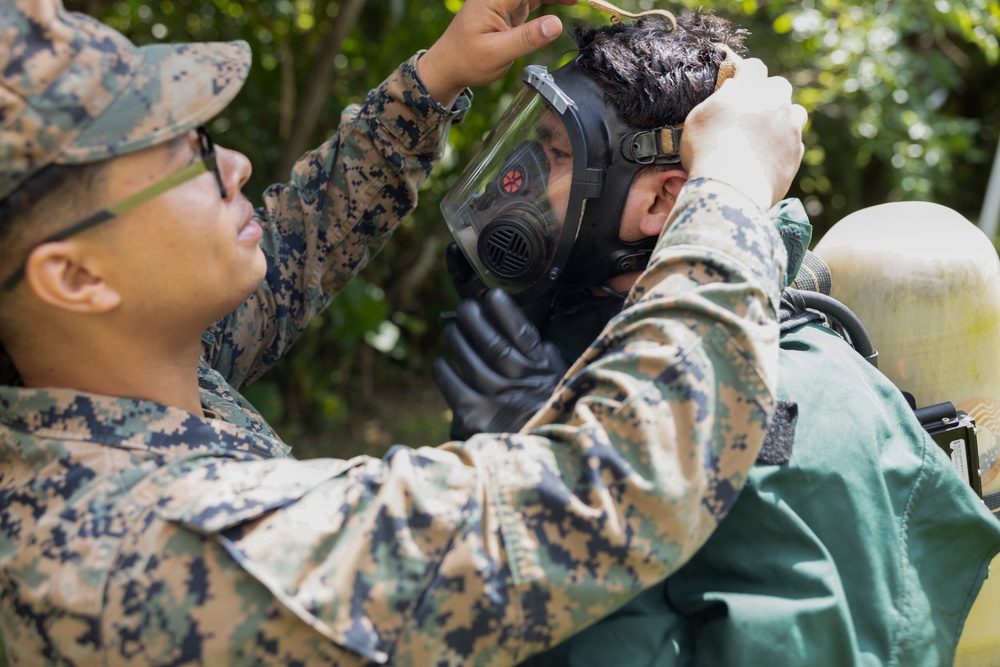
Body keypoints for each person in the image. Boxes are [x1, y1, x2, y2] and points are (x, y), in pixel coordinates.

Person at [0, 0, 809, 665]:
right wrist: (731, 188)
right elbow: (606, 492)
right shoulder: (139, 556)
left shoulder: (100, 370)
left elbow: (294, 248)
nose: (236, 164)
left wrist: (434, 80)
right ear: (74, 277)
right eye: (186, 155)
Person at [433, 12, 1000, 667]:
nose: (518, 180)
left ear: (660, 202)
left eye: (559, 156)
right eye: (534, 146)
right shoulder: (558, 334)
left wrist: (541, 493)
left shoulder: (804, 415)